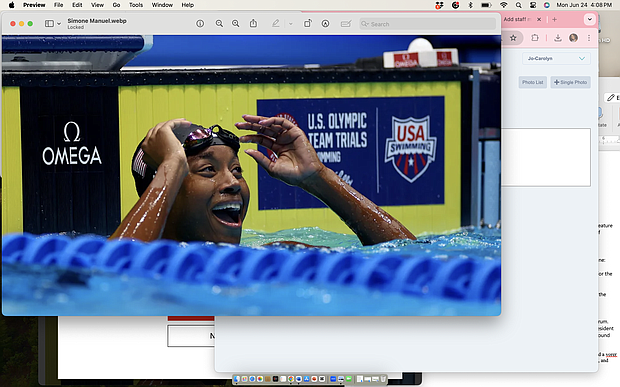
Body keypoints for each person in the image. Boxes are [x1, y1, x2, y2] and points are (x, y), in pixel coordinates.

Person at [110, 115, 416, 245]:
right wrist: (171, 165)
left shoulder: (272, 258)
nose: (233, 183)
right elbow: (106, 277)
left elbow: (407, 262)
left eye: (237, 170)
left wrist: (319, 179)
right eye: (208, 170)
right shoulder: (144, 272)